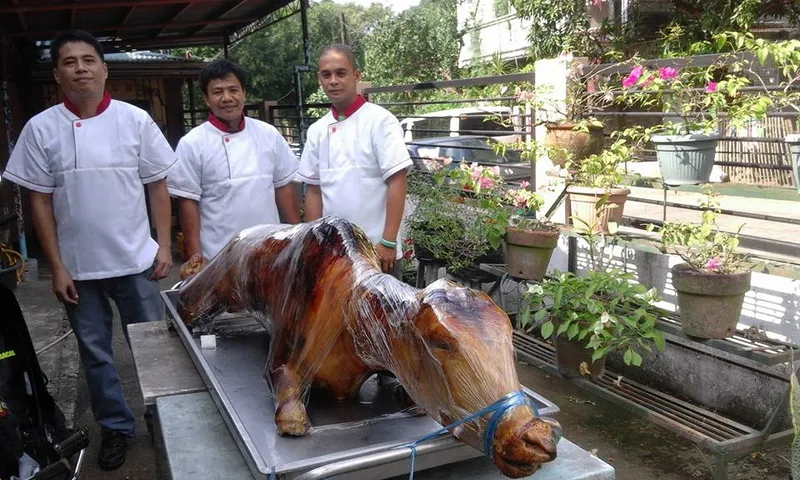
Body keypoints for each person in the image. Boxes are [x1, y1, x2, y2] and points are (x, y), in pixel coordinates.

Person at [2, 30, 176, 470]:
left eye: (88, 59)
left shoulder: (135, 120)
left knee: (153, 348)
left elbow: (158, 185)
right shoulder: (41, 129)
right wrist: (56, 267)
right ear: (58, 74)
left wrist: (164, 245)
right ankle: (116, 428)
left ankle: (165, 419)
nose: (80, 68)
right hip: (78, 269)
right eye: (69, 62)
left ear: (104, 68)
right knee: (95, 356)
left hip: (137, 260)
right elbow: (38, 200)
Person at [168, 59, 301, 276]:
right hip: (219, 258)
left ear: (244, 93)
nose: (227, 98)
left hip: (270, 252)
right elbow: (188, 203)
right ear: (206, 98)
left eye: (233, 90)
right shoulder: (192, 143)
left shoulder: (267, 134)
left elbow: (283, 187)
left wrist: (298, 240)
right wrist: (196, 258)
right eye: (218, 92)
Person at [297, 44, 412, 276]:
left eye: (341, 73)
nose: (333, 81)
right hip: (333, 255)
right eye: (326, 75)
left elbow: (397, 181)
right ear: (319, 78)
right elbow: (313, 191)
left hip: (378, 252)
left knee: (384, 313)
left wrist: (388, 241)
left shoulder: (380, 121)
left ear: (356, 76)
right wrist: (313, 245)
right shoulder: (317, 130)